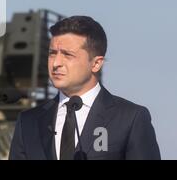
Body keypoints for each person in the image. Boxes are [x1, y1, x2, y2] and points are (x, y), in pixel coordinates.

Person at [9, 16, 160, 160]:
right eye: (52, 54)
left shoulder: (130, 118)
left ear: (96, 64)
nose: (56, 63)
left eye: (68, 55)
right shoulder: (28, 122)